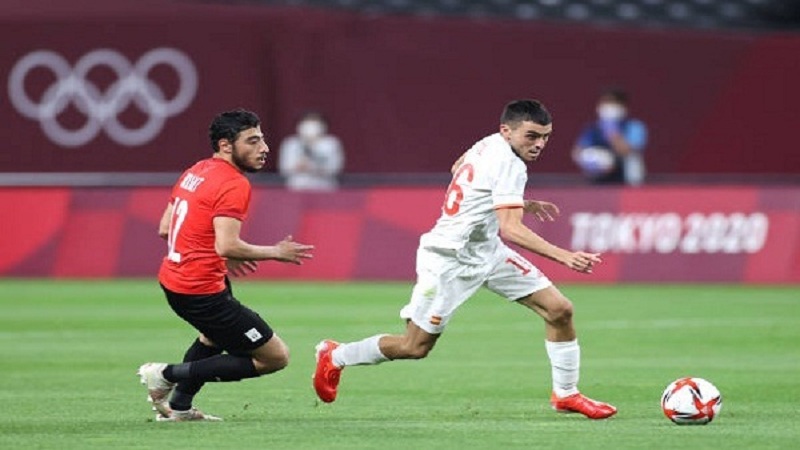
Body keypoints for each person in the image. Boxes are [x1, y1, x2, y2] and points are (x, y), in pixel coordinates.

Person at [313, 100, 617, 420]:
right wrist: (565, 256)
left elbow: (458, 168)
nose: (539, 144)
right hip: (448, 260)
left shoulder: (489, 142)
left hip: (488, 252)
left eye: (545, 136)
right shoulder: (510, 164)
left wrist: (513, 201)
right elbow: (511, 229)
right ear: (507, 130)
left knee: (559, 310)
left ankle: (566, 394)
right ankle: (337, 355)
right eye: (532, 136)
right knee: (414, 347)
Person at [138, 109, 314, 422]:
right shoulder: (233, 183)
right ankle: (165, 374)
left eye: (262, 140)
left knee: (213, 338)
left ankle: (179, 408)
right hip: (200, 289)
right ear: (225, 145)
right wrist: (276, 252)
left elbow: (166, 228)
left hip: (177, 280)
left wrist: (219, 254)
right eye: (252, 141)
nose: (264, 149)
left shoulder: (196, 171)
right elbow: (227, 245)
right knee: (275, 357)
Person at [572, 88, 648, 186]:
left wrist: (611, 128)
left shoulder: (634, 126)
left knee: (633, 159)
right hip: (598, 179)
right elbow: (577, 152)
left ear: (623, 106)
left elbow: (625, 151)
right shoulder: (592, 128)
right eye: (605, 102)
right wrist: (594, 161)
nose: (608, 106)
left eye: (613, 102)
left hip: (627, 179)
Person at [278, 111, 345, 191]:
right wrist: (298, 167)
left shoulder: (331, 143)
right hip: (297, 187)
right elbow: (284, 168)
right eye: (307, 121)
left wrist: (314, 167)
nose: (311, 126)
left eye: (315, 121)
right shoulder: (291, 143)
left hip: (324, 187)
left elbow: (335, 168)